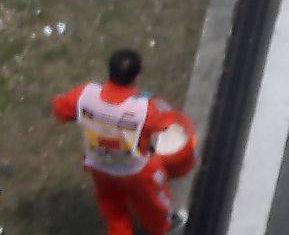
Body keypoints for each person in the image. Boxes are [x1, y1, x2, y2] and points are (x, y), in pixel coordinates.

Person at [50, 48, 194, 233]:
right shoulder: (145, 109)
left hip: (99, 164)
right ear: (136, 76)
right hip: (135, 169)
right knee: (151, 203)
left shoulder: (83, 96)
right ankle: (161, 227)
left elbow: (60, 110)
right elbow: (167, 123)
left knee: (112, 207)